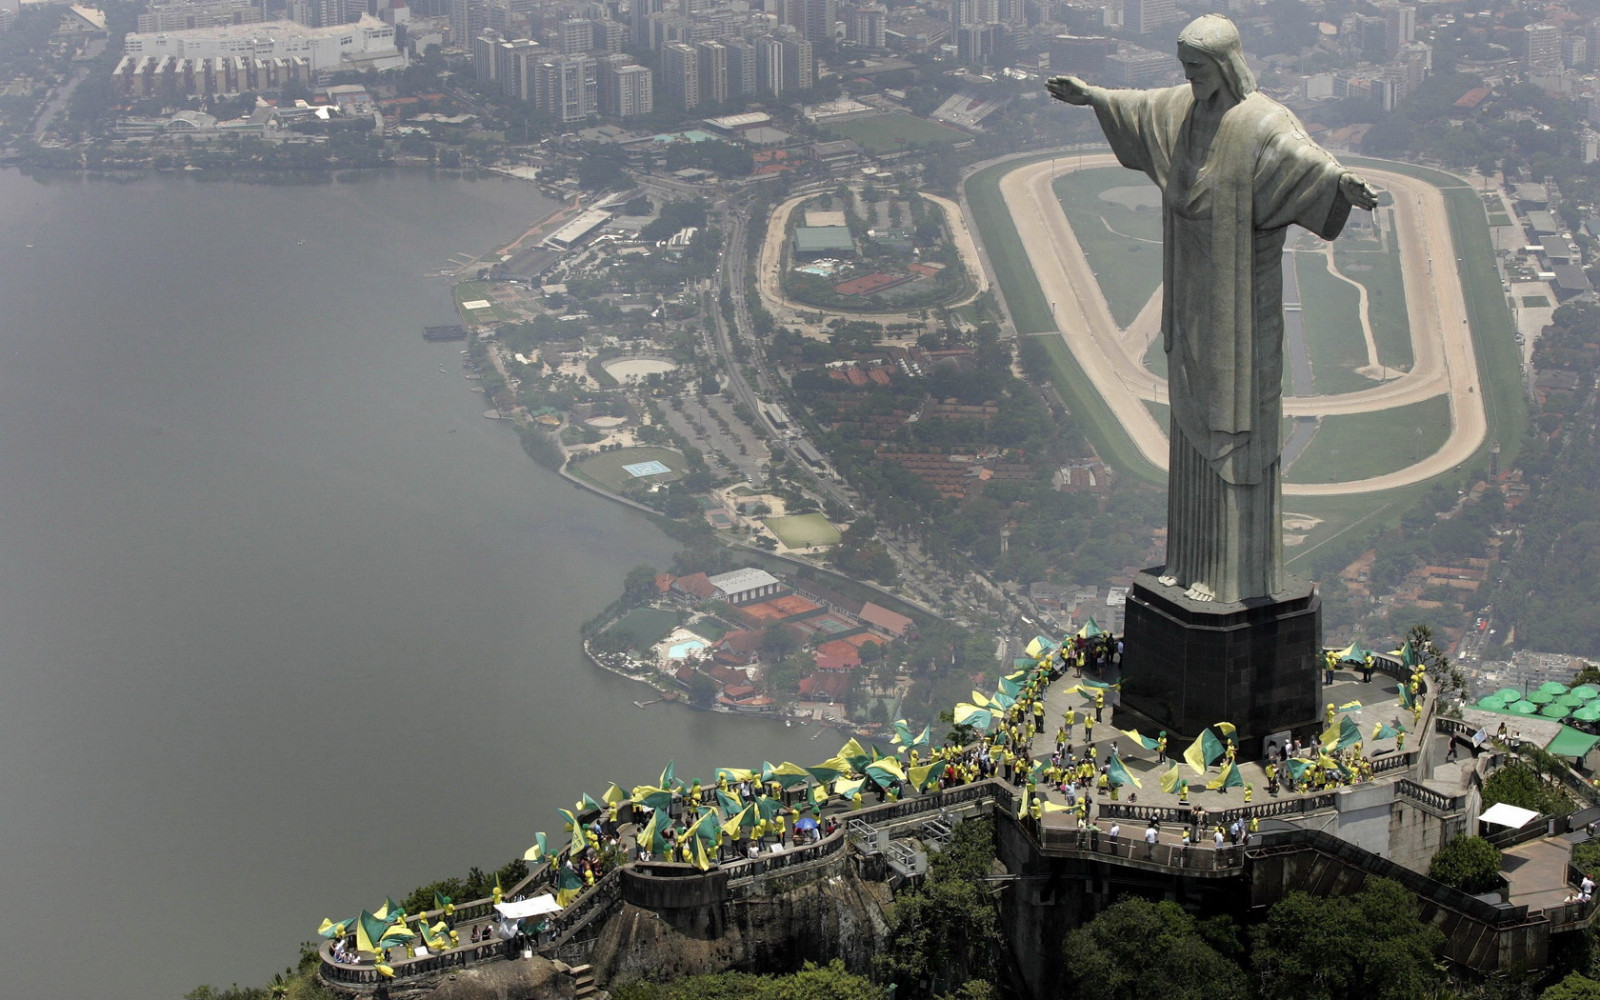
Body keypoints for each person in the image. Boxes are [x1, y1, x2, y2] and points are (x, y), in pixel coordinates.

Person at [1047, 15, 1381, 602]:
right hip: (1192, 297)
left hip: (1240, 306)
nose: (1190, 78)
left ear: (1226, 65)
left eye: (1199, 68)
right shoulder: (1182, 109)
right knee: (1191, 428)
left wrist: (1342, 186)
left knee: (1237, 424)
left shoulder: (1261, 122)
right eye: (1185, 67)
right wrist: (1092, 96)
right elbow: (1140, 108)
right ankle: (1189, 564)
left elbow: (1304, 160)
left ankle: (1234, 577)